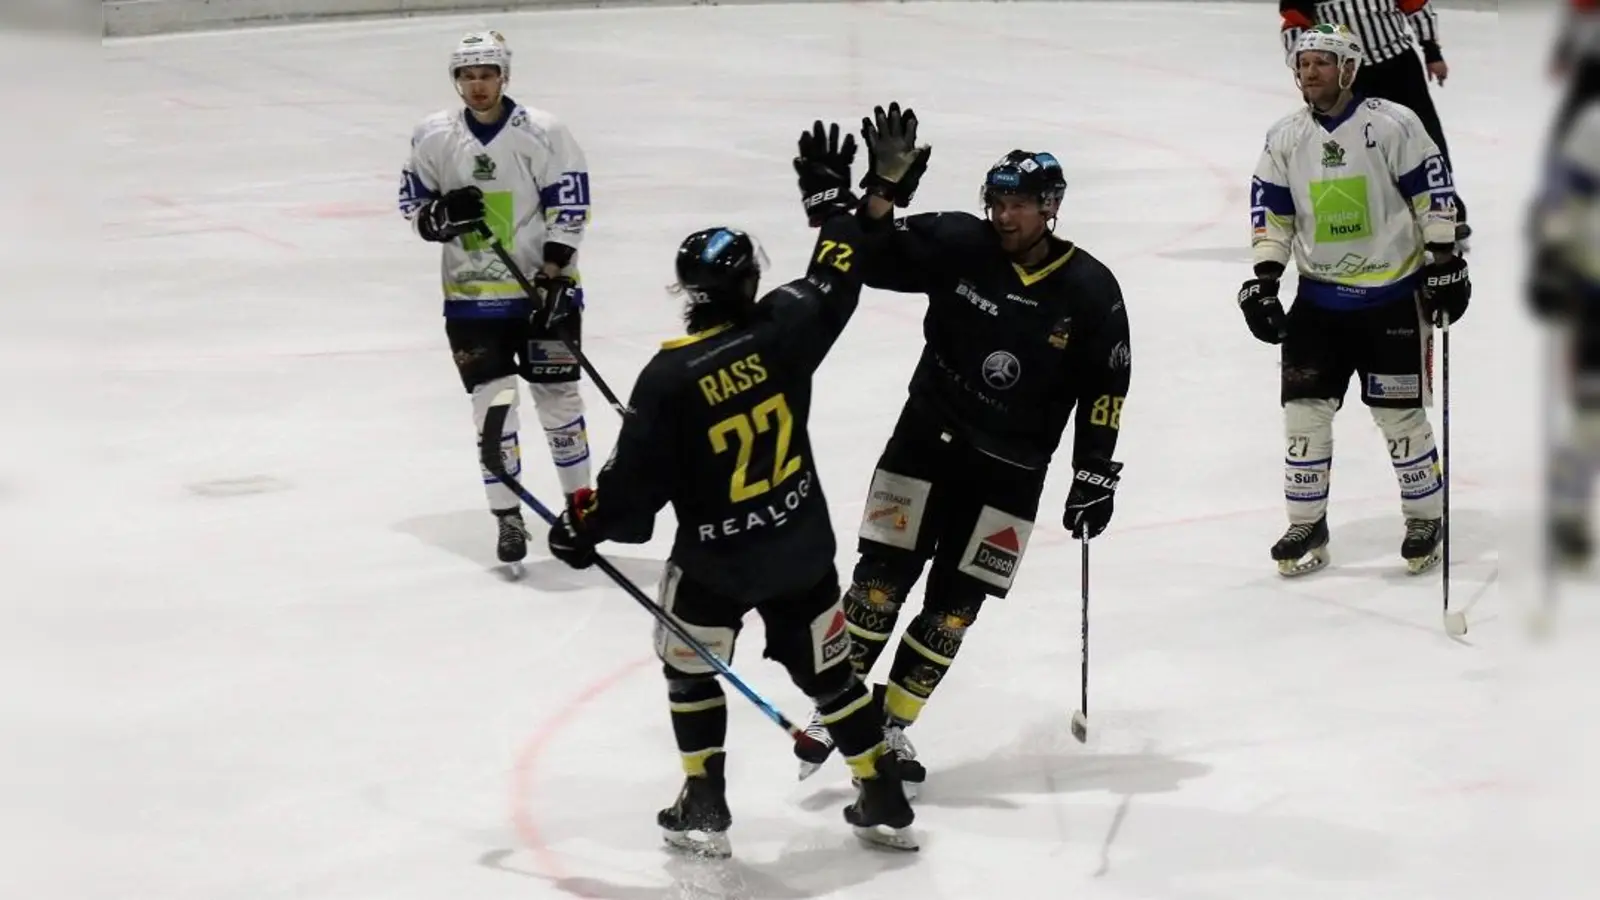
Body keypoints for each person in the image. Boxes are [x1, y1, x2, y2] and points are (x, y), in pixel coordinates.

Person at [542, 118, 919, 855]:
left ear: (687, 291)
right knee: (831, 673)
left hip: (718, 562)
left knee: (688, 666)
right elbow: (839, 271)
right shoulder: (787, 323)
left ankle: (704, 796)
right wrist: (848, 197)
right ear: (750, 281)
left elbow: (630, 504)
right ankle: (880, 788)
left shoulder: (667, 378)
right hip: (800, 545)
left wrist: (581, 528)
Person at [794, 104, 1132, 790]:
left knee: (953, 611)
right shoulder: (957, 241)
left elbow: (1107, 385)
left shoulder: (1092, 290)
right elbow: (868, 258)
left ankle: (892, 724)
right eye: (997, 203)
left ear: (1051, 207)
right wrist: (878, 196)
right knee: (878, 586)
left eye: (1020, 205)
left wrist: (1095, 470)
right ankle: (839, 707)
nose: (1005, 217)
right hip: (924, 447)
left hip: (1011, 475)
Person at [1240, 23, 1470, 577]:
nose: (1310, 72)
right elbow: (1272, 212)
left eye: (1322, 62)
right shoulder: (1284, 137)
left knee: (1399, 416)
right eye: (1303, 64)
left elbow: (1432, 193)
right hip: (1319, 302)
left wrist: (1444, 261)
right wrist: (1265, 280)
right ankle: (1307, 522)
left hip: (1392, 299)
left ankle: (1424, 518)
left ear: (1348, 68)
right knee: (1304, 414)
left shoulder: (1394, 123)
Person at [397, 30, 593, 566]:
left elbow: (570, 202)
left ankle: (582, 512)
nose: (478, 85)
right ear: (456, 80)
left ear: (504, 76)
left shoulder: (543, 131)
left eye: (487, 74)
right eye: (468, 76)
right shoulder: (433, 135)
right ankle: (507, 515)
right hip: (472, 299)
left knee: (559, 401)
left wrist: (554, 274)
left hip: (542, 296)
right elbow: (412, 203)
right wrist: (438, 217)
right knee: (493, 408)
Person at [1276, 1, 1470, 242]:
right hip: (1348, 76)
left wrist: (1432, 51)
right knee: (1355, 146)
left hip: (1398, 65)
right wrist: (1305, 69)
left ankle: (1445, 211)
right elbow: (1295, 23)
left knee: (1422, 136)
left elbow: (1416, 5)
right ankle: (1376, 216)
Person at [1530, 91, 1600, 566]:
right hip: (1596, 291)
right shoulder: (1595, 125)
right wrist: (1552, 259)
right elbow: (1561, 197)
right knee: (1592, 410)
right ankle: (1570, 510)